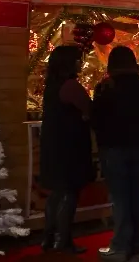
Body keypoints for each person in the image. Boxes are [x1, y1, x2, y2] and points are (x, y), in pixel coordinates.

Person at [91, 46, 139, 261]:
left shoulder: (106, 87)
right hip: (137, 143)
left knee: (120, 197)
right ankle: (136, 240)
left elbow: (95, 117)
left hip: (114, 145)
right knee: (135, 192)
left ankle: (120, 245)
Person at [39, 45, 93, 254]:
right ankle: (63, 241)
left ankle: (49, 238)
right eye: (78, 60)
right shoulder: (71, 85)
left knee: (56, 194)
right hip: (69, 147)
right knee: (68, 193)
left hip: (54, 145)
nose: (81, 63)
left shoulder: (52, 85)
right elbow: (89, 108)